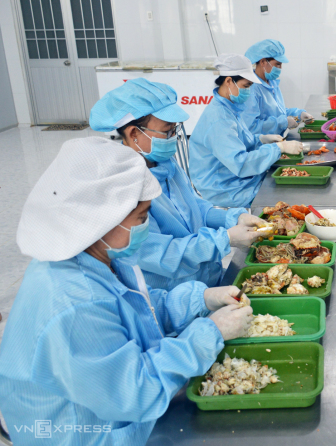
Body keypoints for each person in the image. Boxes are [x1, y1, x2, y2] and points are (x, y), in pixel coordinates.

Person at [0, 137, 253, 445]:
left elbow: (136, 310)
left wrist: (199, 299)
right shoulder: (74, 303)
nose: (145, 229)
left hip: (109, 404)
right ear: (103, 220)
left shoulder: (97, 254)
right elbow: (134, 391)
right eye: (142, 218)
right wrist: (207, 334)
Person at [89, 78, 269, 290]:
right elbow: (161, 254)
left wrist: (233, 218)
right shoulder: (123, 189)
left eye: (175, 130)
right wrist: (223, 239)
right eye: (167, 131)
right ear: (134, 133)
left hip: (206, 278)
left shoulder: (164, 162)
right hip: (172, 293)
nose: (173, 137)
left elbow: (193, 205)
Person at [190, 53, 303, 208]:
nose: (249, 91)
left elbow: (240, 141)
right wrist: (278, 148)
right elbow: (241, 163)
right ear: (229, 81)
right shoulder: (219, 119)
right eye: (246, 86)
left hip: (235, 177)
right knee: (284, 196)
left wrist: (261, 139)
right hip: (226, 187)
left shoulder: (229, 107)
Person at [242, 39, 313, 136]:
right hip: (262, 147)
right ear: (263, 62)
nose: (280, 68)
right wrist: (283, 123)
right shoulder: (251, 88)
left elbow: (279, 112)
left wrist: (298, 114)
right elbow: (251, 127)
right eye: (278, 64)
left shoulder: (271, 83)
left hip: (277, 141)